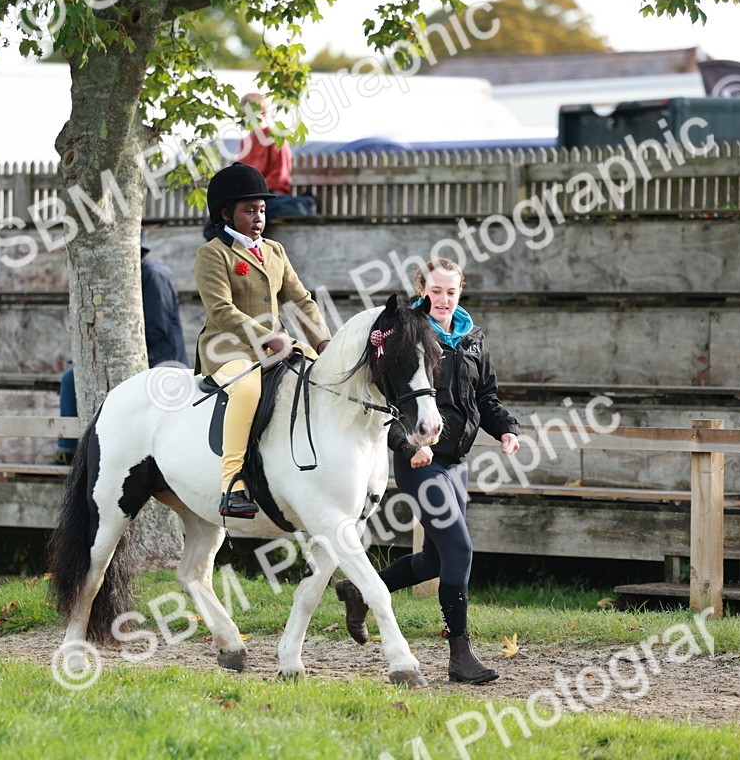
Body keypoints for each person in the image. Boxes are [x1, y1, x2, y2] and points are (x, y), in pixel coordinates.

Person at [335, 257, 521, 685]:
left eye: (451, 291)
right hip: (420, 460)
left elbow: (486, 398)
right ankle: (460, 657)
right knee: (459, 551)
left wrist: (507, 430)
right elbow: (390, 398)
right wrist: (408, 444)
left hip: (456, 463)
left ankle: (359, 591)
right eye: (435, 291)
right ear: (422, 288)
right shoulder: (406, 335)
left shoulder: (472, 338)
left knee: (437, 557)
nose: (443, 299)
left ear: (461, 292)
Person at [194, 162, 331, 518]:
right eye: (249, 210)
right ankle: (233, 482)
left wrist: (323, 342)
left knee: (321, 377)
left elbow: (300, 300)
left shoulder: (274, 251)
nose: (258, 218)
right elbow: (222, 310)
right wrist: (268, 337)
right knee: (247, 390)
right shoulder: (213, 254)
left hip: (277, 344)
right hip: (228, 348)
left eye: (262, 210)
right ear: (226, 214)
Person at [56, 237, 188, 463]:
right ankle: (73, 452)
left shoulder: (151, 275)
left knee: (71, 380)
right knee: (72, 377)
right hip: (140, 355)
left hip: (161, 361)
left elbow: (158, 331)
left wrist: (112, 353)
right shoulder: (132, 276)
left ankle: (70, 452)